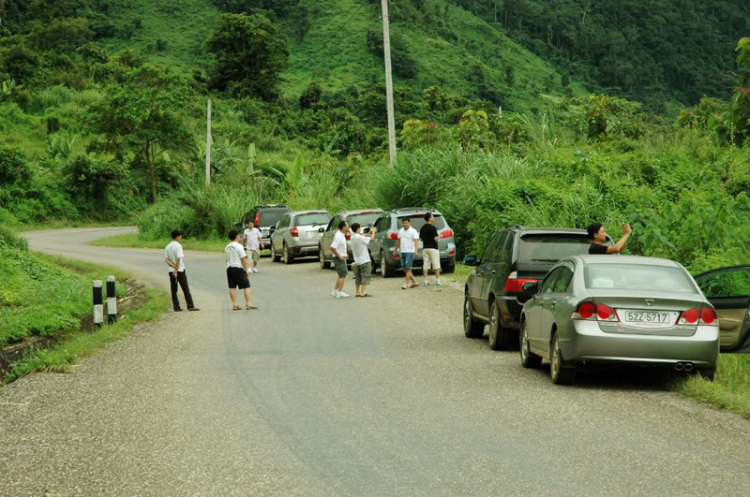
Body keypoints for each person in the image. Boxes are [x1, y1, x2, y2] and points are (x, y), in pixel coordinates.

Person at [165, 230, 199, 312]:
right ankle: (190, 306)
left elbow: (166, 259)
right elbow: (178, 259)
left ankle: (176, 307)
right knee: (185, 288)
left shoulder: (168, 246)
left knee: (174, 289)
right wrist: (176, 269)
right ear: (177, 237)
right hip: (179, 270)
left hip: (171, 270)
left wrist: (173, 266)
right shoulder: (178, 246)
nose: (180, 238)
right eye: (180, 236)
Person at [225, 230, 257, 310]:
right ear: (236, 236)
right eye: (239, 236)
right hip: (238, 268)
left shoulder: (227, 247)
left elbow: (227, 259)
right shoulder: (239, 246)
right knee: (246, 285)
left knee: (232, 286)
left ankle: (235, 305)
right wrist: (246, 269)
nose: (240, 237)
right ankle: (249, 304)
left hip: (229, 268)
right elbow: (243, 259)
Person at [350, 223, 377, 297]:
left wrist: (368, 233)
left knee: (358, 276)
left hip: (357, 260)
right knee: (365, 275)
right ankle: (363, 292)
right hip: (364, 260)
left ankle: (357, 292)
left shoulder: (353, 237)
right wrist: (373, 232)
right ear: (358, 229)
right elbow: (371, 239)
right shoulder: (359, 237)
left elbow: (363, 237)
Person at [396, 218, 420, 290]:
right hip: (402, 251)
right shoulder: (401, 231)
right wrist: (395, 249)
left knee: (408, 268)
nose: (405, 224)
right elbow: (398, 240)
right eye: (403, 223)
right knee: (404, 268)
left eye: (406, 223)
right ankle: (415, 281)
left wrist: (416, 250)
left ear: (409, 223)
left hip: (410, 251)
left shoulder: (413, 231)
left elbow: (416, 241)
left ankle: (406, 284)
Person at [419, 212, 442, 286]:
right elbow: (435, 238)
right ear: (429, 218)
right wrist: (437, 243)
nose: (433, 217)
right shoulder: (433, 227)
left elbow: (421, 238)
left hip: (425, 248)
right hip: (433, 248)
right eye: (432, 216)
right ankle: (438, 280)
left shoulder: (422, 228)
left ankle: (425, 281)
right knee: (436, 264)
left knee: (426, 265)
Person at [330, 221, 350, 298]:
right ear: (343, 227)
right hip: (339, 258)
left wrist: (345, 253)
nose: (348, 227)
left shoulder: (341, 235)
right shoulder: (338, 236)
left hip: (341, 256)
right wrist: (339, 256)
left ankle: (335, 291)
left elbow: (340, 247)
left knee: (341, 275)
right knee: (343, 274)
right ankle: (340, 291)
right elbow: (332, 247)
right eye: (347, 226)